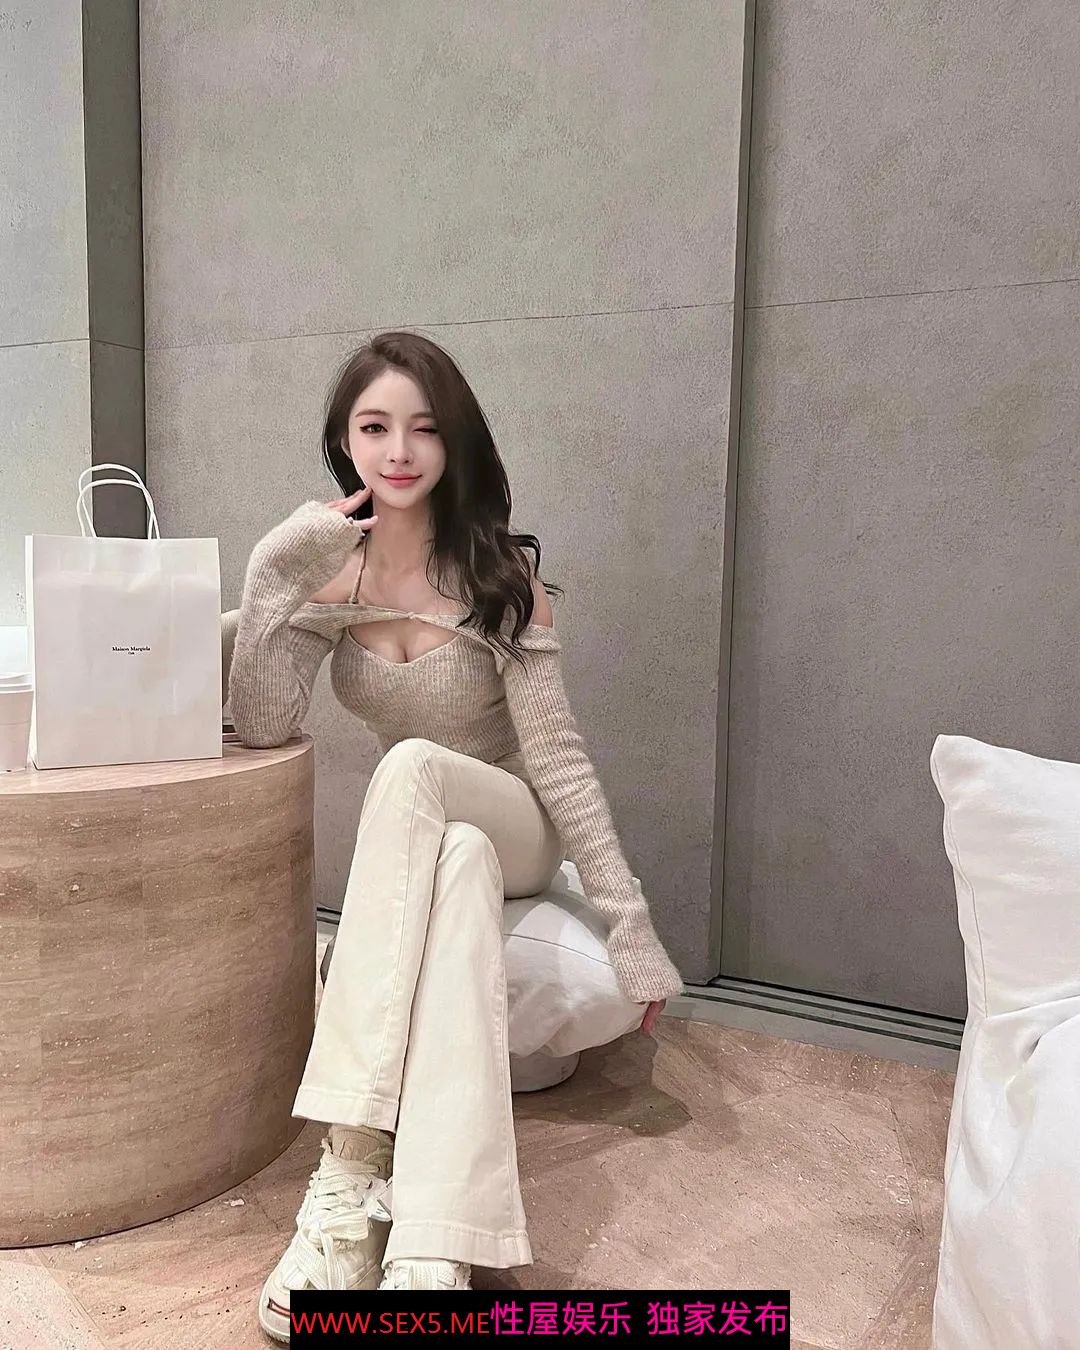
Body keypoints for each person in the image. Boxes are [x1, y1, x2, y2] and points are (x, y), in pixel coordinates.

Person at [227, 331, 683, 1336]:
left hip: (516, 817)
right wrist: (270, 578)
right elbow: (260, 721)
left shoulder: (497, 574)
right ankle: (436, 1239)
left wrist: (630, 924)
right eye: (375, 427)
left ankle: (348, 1163)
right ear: (344, 443)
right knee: (454, 854)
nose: (399, 451)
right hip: (446, 840)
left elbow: (558, 760)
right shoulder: (326, 574)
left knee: (415, 771)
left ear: (454, 441)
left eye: (424, 429)